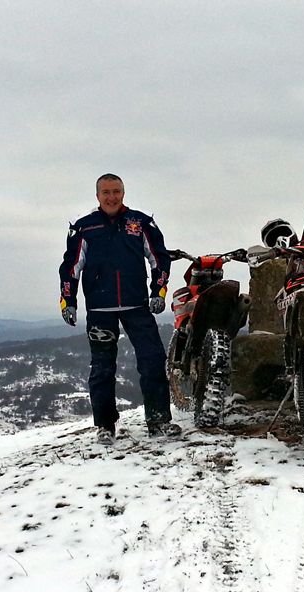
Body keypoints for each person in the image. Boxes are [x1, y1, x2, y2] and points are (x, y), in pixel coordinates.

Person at [59, 173, 181, 444]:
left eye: (116, 191)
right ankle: (105, 425)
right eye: (106, 192)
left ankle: (159, 420)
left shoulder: (141, 223)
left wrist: (158, 292)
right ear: (97, 196)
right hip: (100, 309)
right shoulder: (83, 227)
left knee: (152, 361)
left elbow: (159, 258)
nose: (111, 197)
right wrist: (68, 301)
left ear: (123, 193)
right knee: (102, 368)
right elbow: (71, 267)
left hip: (138, 305)